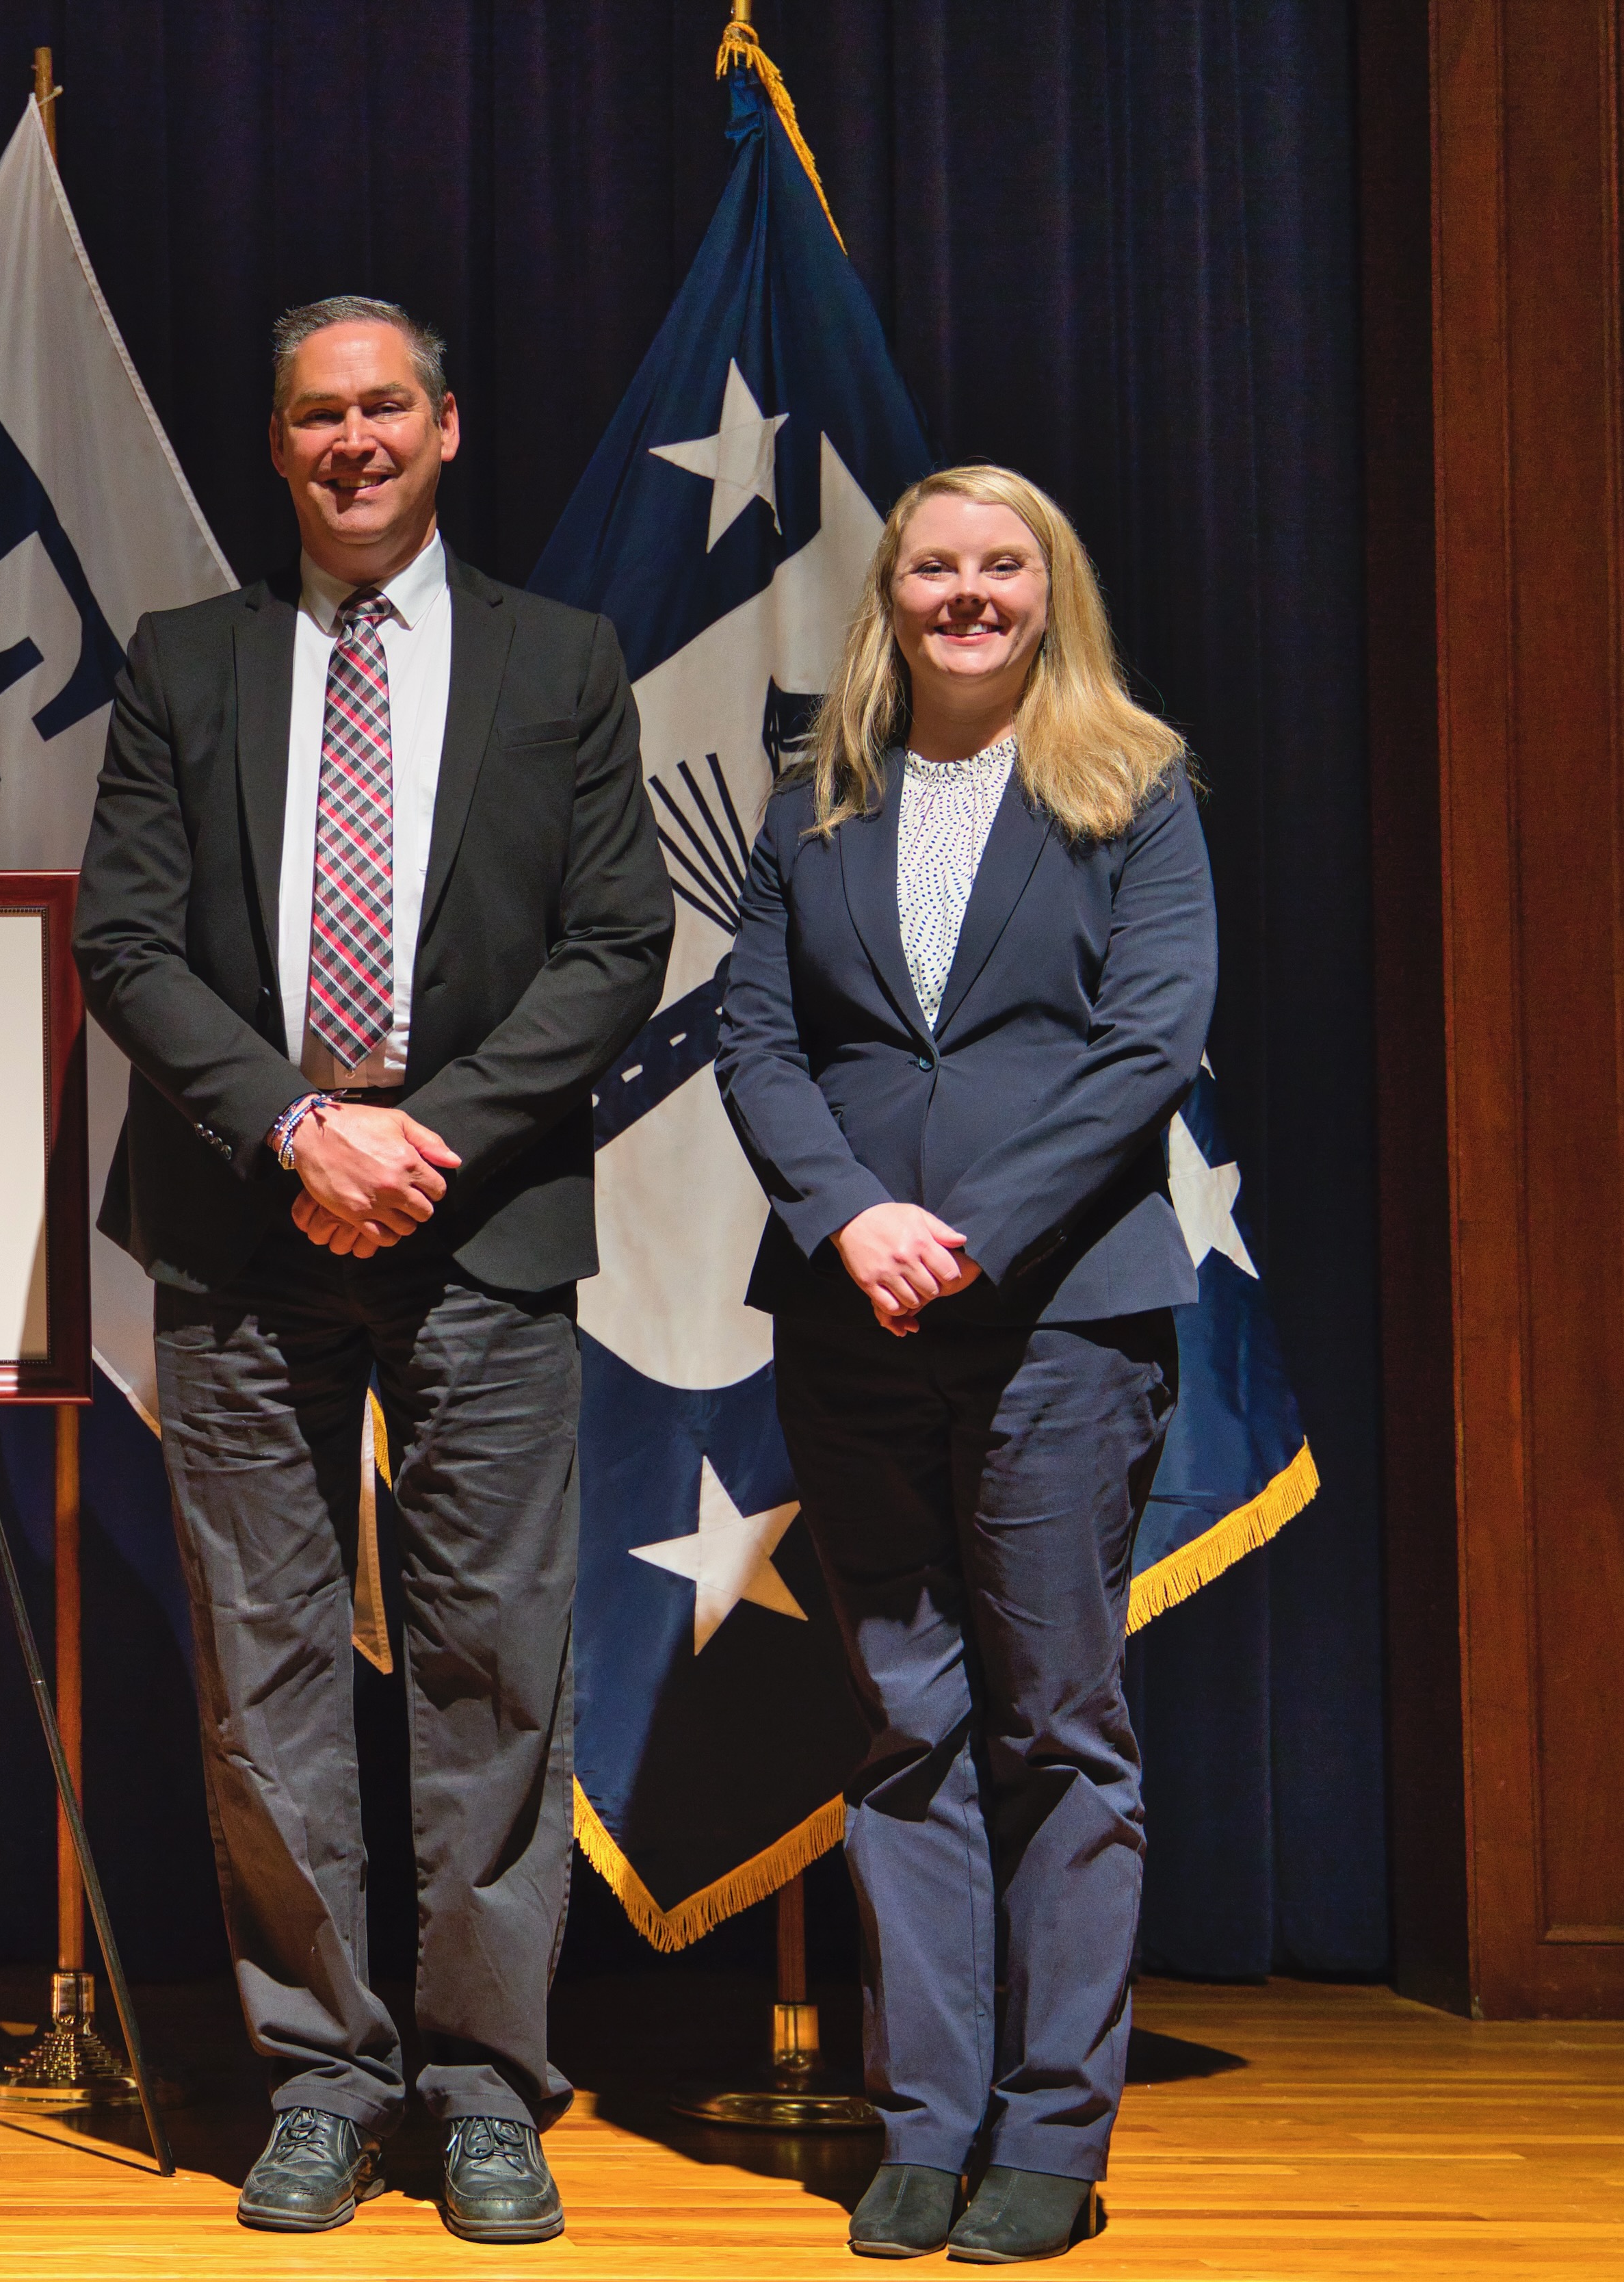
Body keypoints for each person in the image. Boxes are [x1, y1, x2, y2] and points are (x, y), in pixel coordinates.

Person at [76, 296, 670, 2242]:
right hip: (246, 1227)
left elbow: (615, 943)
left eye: (384, 408)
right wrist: (298, 1128)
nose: (352, 442)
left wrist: (431, 1138)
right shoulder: (185, 665)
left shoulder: (561, 663)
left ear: (447, 427)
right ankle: (324, 2080)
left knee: (497, 1668)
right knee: (267, 1680)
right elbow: (130, 943)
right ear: (277, 446)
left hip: (480, 1228)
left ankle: (486, 2088)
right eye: (317, 416)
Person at [714, 465, 1212, 2263]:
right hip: (851, 1325)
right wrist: (852, 1219)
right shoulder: (815, 803)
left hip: (1064, 1323)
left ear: (1046, 590)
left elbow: (1151, 1038)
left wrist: (972, 1227)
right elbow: (759, 1039)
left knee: (1055, 1725)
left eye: (1003, 565)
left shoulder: (1132, 791)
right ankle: (923, 2125)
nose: (968, 592)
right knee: (903, 1722)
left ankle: (1051, 2140)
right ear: (894, 593)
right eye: (937, 565)